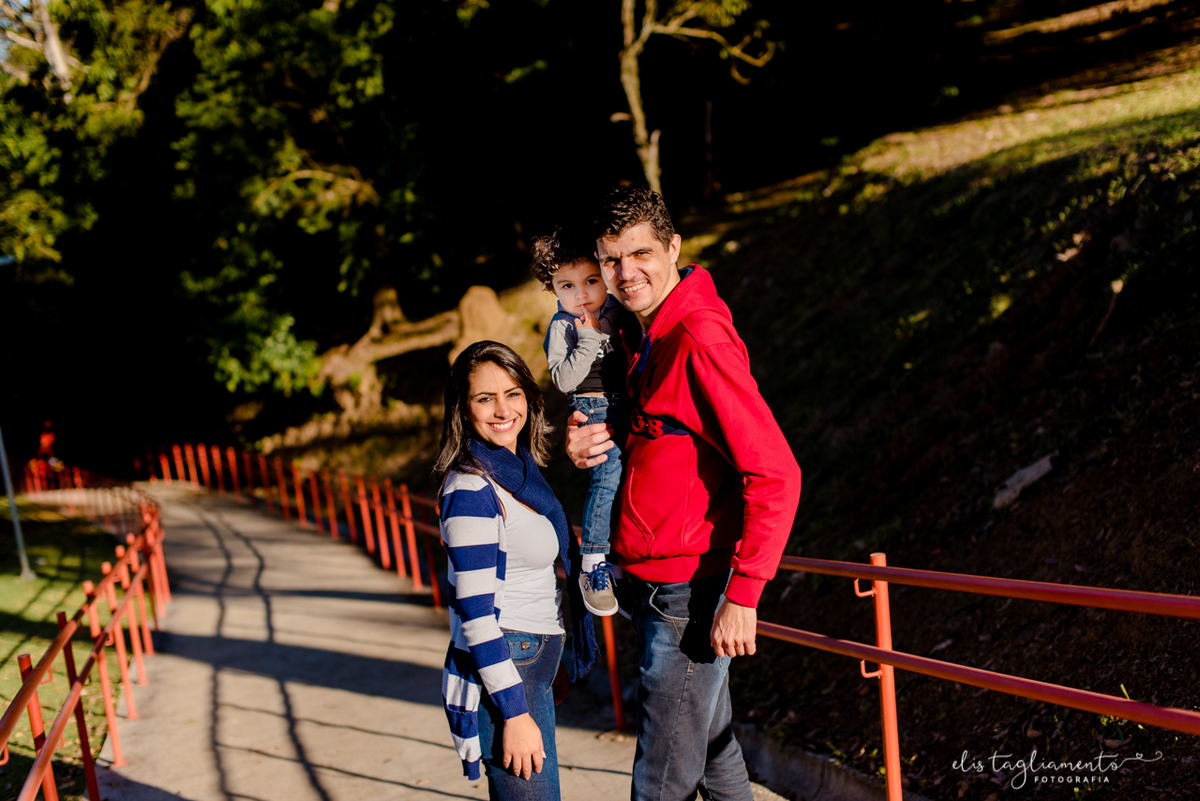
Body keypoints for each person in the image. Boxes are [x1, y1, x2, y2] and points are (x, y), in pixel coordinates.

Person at [566, 186, 802, 801]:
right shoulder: (644, 334)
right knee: (718, 767)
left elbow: (775, 472)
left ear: (673, 248)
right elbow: (654, 440)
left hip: (690, 596)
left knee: (661, 780)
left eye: (640, 254)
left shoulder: (697, 339)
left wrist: (744, 593)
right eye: (611, 259)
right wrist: (587, 439)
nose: (625, 273)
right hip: (656, 583)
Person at [435, 340, 598, 800]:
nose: (502, 409)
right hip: (510, 665)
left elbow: (538, 575)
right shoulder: (471, 487)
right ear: (463, 410)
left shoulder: (519, 471)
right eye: (485, 398)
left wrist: (551, 658)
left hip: (531, 661)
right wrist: (515, 712)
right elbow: (477, 614)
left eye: (512, 393)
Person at [530, 225, 629, 617]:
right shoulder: (562, 326)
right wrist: (588, 339)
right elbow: (563, 380)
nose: (581, 294)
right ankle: (593, 563)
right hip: (593, 408)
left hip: (630, 403)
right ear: (553, 290)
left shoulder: (618, 310)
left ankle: (622, 564)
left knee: (633, 480)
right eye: (566, 286)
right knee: (606, 480)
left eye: (590, 281)